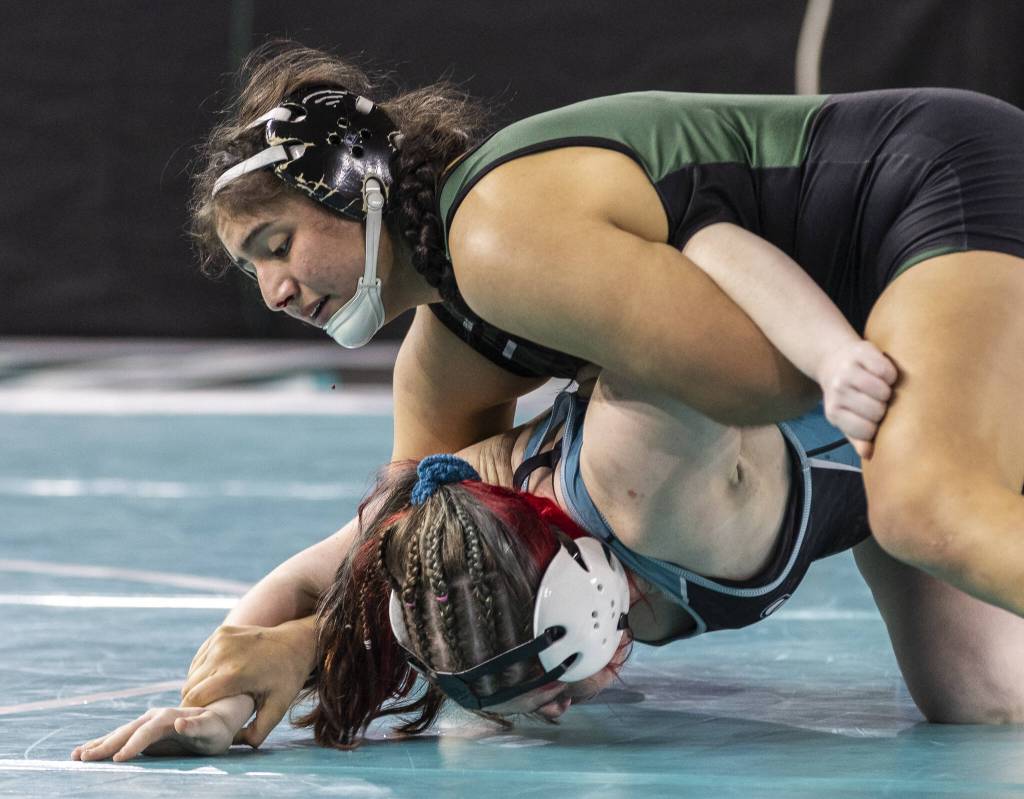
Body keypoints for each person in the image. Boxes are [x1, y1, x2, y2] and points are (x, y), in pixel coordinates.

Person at [194, 41, 1024, 627]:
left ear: (356, 190)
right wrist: (279, 651)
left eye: (277, 245)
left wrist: (544, 472)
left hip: (930, 184)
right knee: (979, 695)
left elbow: (764, 385)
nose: (274, 290)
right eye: (252, 270)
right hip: (858, 291)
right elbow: (408, 545)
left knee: (928, 509)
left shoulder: (494, 237)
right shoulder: (446, 352)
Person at [71, 359, 1024, 761]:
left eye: (549, 676)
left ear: (585, 588)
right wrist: (222, 707)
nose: (558, 708)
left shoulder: (642, 460)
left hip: (939, 386)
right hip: (872, 488)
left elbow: (712, 257)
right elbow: (296, 589)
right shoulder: (450, 537)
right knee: (984, 703)